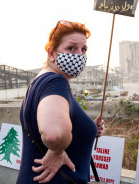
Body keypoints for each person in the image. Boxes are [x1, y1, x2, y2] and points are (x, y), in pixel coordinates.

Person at [17, 20, 105, 184]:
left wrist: (87, 128)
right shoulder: (56, 83)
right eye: (71, 48)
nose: (79, 54)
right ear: (51, 54)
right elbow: (53, 134)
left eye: (83, 49)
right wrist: (57, 150)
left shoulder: (40, 82)